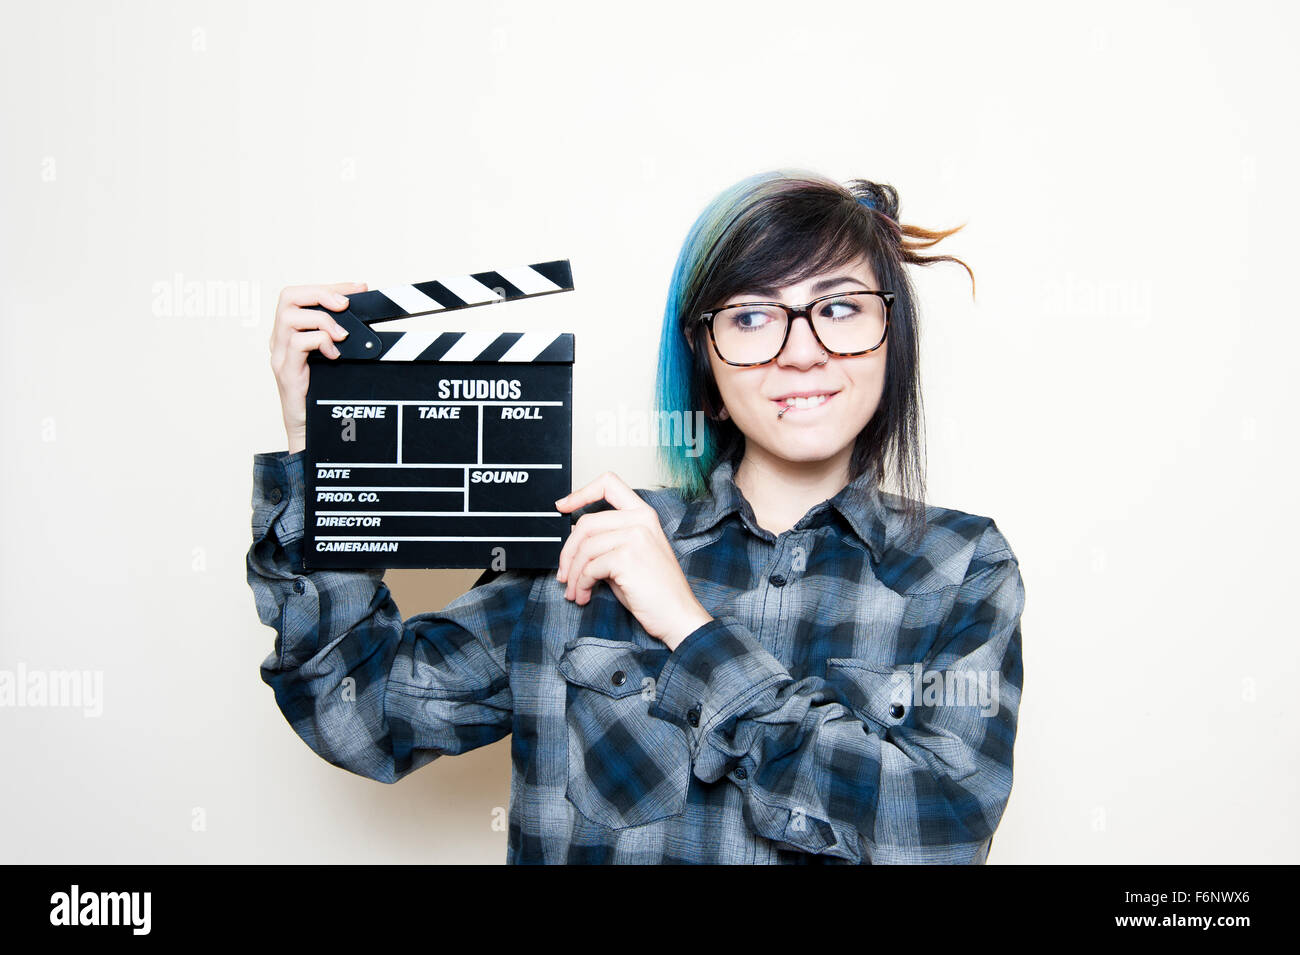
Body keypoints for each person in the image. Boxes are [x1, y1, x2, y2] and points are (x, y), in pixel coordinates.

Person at [247, 169, 1026, 864]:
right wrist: (322, 457)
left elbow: (943, 834)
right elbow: (360, 713)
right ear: (705, 364)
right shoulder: (592, 543)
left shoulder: (961, 569)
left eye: (842, 307)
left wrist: (690, 631)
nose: (802, 350)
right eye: (753, 317)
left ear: (892, 342)